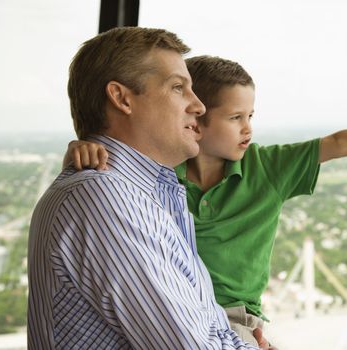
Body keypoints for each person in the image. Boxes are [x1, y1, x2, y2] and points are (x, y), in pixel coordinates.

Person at [65, 55, 347, 346]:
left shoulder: (269, 167)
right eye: (235, 118)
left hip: (234, 319)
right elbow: (116, 168)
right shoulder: (159, 170)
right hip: (173, 309)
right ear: (195, 118)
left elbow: (342, 141)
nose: (248, 129)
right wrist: (81, 150)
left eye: (251, 117)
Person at [28, 28, 268, 350]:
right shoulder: (106, 200)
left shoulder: (148, 195)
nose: (198, 106)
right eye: (178, 88)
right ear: (122, 98)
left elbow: (203, 327)